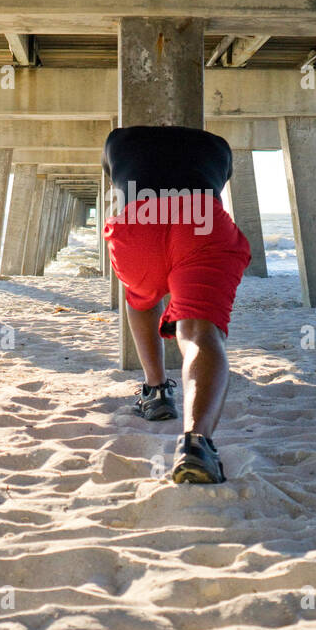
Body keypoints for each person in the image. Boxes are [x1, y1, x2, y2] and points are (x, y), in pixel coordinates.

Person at [101, 124, 252, 484]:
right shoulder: (220, 146)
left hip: (140, 222)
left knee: (140, 298)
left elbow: (118, 183)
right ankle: (196, 444)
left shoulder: (117, 140)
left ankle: (156, 391)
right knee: (199, 330)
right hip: (200, 220)